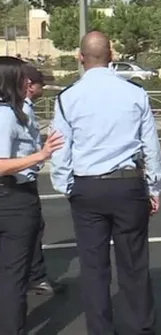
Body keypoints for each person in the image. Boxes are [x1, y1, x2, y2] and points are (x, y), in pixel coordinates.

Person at [50, 32, 161, 334]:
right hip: (128, 185)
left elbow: (61, 148)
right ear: (112, 56)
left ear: (80, 57)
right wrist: (153, 186)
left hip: (87, 186)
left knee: (93, 268)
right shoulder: (135, 93)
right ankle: (141, 328)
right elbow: (150, 144)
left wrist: (66, 186)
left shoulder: (67, 97)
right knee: (134, 265)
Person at [0, 56, 63, 334]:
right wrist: (41, 155)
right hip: (12, 198)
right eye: (21, 75)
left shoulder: (13, 112)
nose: (28, 81)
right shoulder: (4, 115)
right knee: (14, 276)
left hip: (16, 195)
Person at [21, 63, 66, 296]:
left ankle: (33, 275)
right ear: (30, 86)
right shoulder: (21, 109)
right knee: (31, 229)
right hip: (19, 180)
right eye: (41, 84)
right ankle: (35, 277)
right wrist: (40, 155)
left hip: (22, 176)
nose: (43, 88)